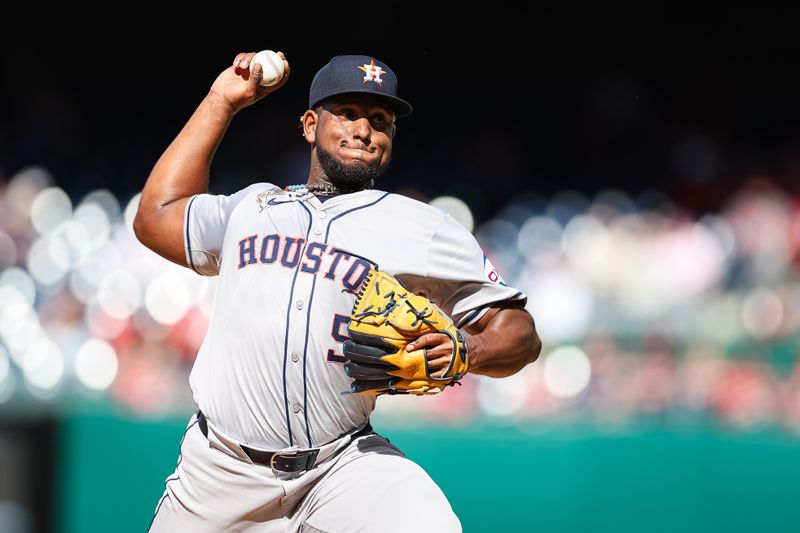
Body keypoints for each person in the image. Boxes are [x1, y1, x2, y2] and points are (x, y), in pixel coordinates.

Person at [134, 50, 541, 533]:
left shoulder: (424, 227)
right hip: (218, 470)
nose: (365, 130)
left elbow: (522, 334)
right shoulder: (252, 207)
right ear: (310, 125)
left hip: (342, 464)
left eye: (380, 119)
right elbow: (155, 216)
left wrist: (469, 349)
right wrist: (220, 101)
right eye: (347, 114)